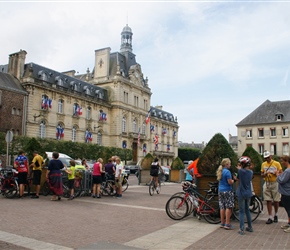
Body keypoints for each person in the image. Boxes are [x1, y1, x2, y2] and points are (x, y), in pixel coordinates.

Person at [261, 150, 282, 224]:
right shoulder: (263, 164)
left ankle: (276, 214)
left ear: (271, 156)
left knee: (276, 200)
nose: (267, 159)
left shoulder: (276, 163)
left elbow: (281, 172)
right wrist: (265, 174)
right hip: (267, 182)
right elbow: (262, 174)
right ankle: (270, 216)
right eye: (265, 158)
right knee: (268, 200)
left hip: (275, 182)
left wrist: (276, 173)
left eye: (268, 157)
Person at [236, 156, 254, 235]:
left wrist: (238, 168)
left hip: (241, 193)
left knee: (241, 211)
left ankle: (241, 228)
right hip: (248, 193)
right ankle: (250, 227)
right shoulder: (251, 172)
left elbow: (238, 178)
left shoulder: (240, 171)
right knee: (247, 210)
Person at [216, 158, 235, 230]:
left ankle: (222, 222)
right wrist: (234, 180)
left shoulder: (220, 171)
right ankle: (227, 223)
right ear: (226, 164)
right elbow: (230, 182)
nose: (230, 165)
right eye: (229, 164)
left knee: (222, 207)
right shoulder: (227, 172)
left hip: (220, 190)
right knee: (228, 207)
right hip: (227, 190)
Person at [277, 155, 290, 233]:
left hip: (287, 193)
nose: (281, 163)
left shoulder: (288, 171)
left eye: (282, 161)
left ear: (286, 161)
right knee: (288, 209)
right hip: (286, 192)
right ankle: (289, 223)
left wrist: (277, 175)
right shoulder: (287, 170)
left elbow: (281, 180)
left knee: (289, 209)